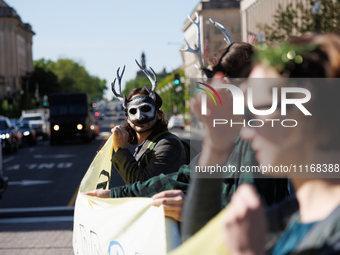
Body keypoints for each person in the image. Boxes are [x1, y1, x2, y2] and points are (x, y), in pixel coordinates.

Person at [85, 43, 289, 223]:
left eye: (211, 82)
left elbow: (256, 216)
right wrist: (114, 194)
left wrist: (194, 210)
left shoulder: (258, 141)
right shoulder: (230, 138)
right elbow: (182, 178)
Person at [183, 33, 340, 254]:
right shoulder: (291, 216)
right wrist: (216, 149)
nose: (246, 132)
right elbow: (198, 246)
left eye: (255, 112)